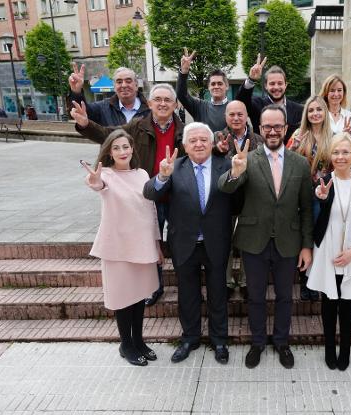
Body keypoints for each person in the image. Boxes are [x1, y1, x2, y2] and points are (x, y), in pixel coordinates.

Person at [218, 104, 313, 370]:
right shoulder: (246, 158)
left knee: (285, 296)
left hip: (288, 241)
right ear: (260, 129)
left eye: (277, 126)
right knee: (256, 296)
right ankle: (257, 342)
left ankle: (282, 341)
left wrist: (307, 247)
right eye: (267, 126)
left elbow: (306, 209)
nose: (272, 131)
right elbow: (225, 188)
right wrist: (235, 171)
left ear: (285, 129)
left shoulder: (300, 163)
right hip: (253, 240)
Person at [71, 83, 184, 306]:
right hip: (146, 195)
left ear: (175, 104)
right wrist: (86, 124)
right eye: (157, 99)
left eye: (167, 100)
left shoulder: (182, 130)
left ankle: (184, 285)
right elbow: (109, 134)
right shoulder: (137, 125)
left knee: (178, 242)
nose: (162, 104)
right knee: (147, 242)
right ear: (149, 104)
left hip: (175, 196)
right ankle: (154, 287)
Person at [143, 122, 232, 364]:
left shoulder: (227, 165)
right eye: (193, 140)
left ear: (212, 143)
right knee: (188, 295)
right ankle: (190, 338)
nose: (199, 144)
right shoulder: (175, 167)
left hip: (217, 242)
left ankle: (219, 339)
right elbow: (150, 192)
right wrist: (162, 175)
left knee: (218, 293)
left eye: (204, 139)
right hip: (185, 243)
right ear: (184, 146)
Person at [81, 129, 162, 367]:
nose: (122, 152)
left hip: (143, 245)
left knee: (138, 297)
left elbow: (152, 212)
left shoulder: (142, 174)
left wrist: (157, 245)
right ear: (109, 152)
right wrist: (94, 180)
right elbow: (98, 185)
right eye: (116, 148)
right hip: (118, 248)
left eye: (125, 146)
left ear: (132, 149)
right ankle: (126, 344)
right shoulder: (105, 174)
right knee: (123, 298)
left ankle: (138, 340)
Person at [307, 133, 351, 371]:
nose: (341, 156)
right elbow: (319, 212)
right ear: (330, 156)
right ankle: (328, 347)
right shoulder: (325, 182)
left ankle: (344, 348)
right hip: (328, 250)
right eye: (336, 152)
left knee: (348, 303)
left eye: (345, 152)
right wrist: (322, 199)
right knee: (329, 301)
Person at [213, 100, 264, 300]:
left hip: (250, 199)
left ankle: (244, 282)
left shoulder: (258, 139)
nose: (236, 118)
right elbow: (210, 159)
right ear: (226, 116)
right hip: (224, 199)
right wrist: (218, 150)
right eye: (232, 114)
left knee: (247, 245)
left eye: (240, 114)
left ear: (246, 116)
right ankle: (226, 282)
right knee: (224, 244)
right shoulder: (217, 137)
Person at [287, 95, 334, 301]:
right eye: (311, 110)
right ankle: (304, 280)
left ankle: (315, 279)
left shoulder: (333, 136)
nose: (315, 113)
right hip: (301, 194)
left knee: (317, 237)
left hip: (322, 195)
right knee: (303, 236)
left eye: (319, 110)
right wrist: (293, 146)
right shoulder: (299, 134)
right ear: (306, 113)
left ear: (325, 113)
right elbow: (285, 161)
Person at [236, 55, 303, 141]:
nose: (276, 87)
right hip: (262, 153)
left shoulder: (299, 110)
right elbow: (240, 103)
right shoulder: (257, 105)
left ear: (285, 85)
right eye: (272, 83)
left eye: (280, 83)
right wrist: (251, 80)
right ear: (265, 86)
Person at [68, 64, 150, 126]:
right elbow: (84, 112)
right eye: (119, 82)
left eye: (128, 81)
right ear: (114, 87)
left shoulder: (150, 109)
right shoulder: (103, 108)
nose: (124, 85)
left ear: (136, 85)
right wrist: (76, 91)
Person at [176, 48, 230, 132]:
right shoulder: (199, 106)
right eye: (213, 84)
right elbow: (181, 95)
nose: (216, 86)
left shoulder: (233, 108)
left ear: (226, 86)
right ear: (208, 87)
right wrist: (184, 72)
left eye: (220, 83)